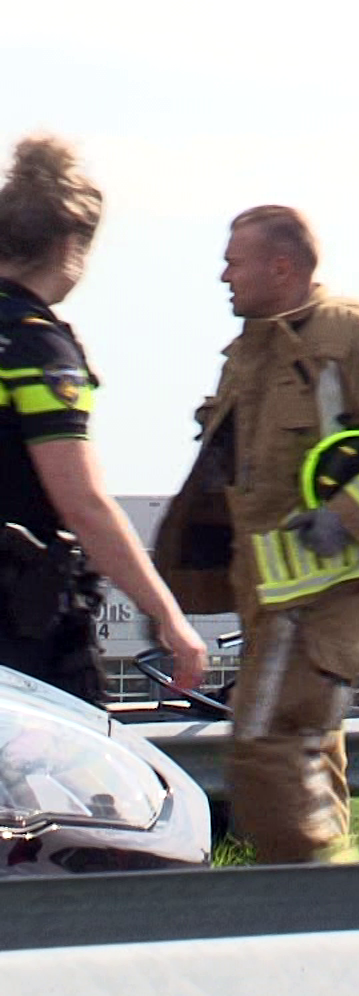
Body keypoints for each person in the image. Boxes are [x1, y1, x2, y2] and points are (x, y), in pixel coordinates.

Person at [154, 206, 359, 863]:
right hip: (273, 596)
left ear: (281, 267)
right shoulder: (253, 353)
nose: (222, 275)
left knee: (263, 745)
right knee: (308, 750)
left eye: (235, 261)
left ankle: (314, 906)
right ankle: (334, 926)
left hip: (322, 591)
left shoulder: (347, 332)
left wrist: (348, 516)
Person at [0, 134, 207, 703]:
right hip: (23, 635)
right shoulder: (34, 347)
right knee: (91, 788)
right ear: (71, 243)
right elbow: (83, 503)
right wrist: (169, 617)